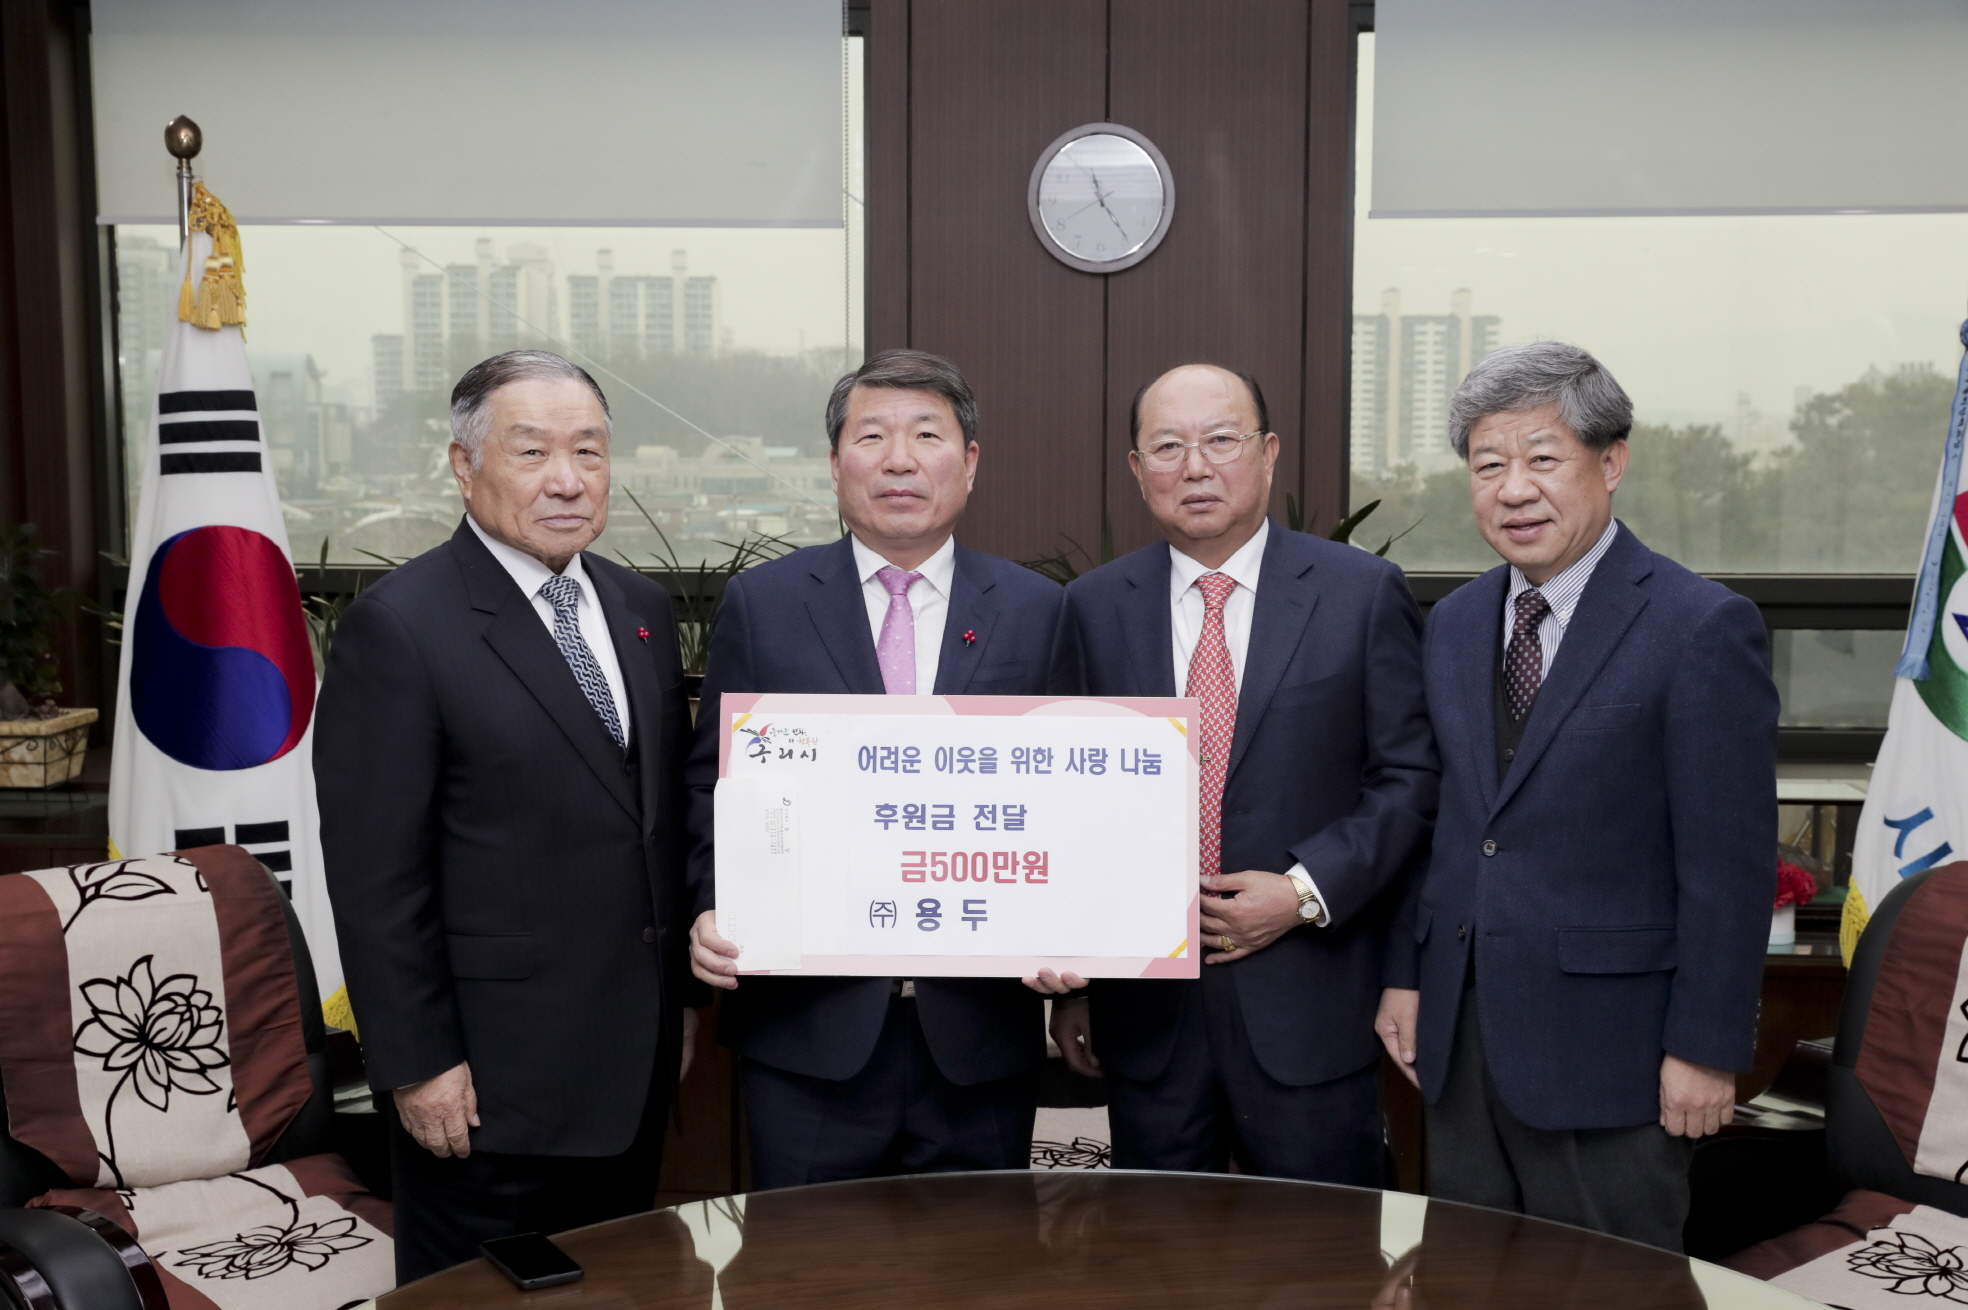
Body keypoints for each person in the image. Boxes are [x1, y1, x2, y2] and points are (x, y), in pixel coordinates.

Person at [1376, 341, 1778, 1251]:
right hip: (1463, 1041)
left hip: (1617, 1054)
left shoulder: (1700, 627)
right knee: (1468, 1280)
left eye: (1543, 459)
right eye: (1489, 465)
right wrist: (1407, 970)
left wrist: (1707, 1049)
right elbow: (1445, 824)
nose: (1514, 489)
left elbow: (1730, 864)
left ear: (1612, 462)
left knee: (1613, 1289)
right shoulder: (1455, 624)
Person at [316, 351, 697, 1283]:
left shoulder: (639, 607)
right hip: (487, 1092)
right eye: (532, 453)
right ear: (463, 465)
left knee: (621, 1293)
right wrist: (417, 1065)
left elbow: (651, 823)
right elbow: (376, 878)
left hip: (630, 1075)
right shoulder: (402, 627)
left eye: (590, 452)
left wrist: (678, 1007)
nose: (567, 480)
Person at [1047, 363, 1438, 1182]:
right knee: (1154, 1265)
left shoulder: (1361, 594)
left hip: (1310, 1002)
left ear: (1268, 453)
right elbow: (1066, 801)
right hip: (1148, 1015)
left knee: (1316, 1265)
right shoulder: (1092, 606)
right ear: (1135, 468)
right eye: (1168, 446)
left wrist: (1300, 892)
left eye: (1221, 441)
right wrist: (1078, 985)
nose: (1195, 466)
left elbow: (1408, 779)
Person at [685, 349, 1064, 1187]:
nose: (899, 459)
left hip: (978, 1033)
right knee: (804, 1275)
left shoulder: (1038, 613)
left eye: (927, 435)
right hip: (807, 1033)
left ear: (968, 463)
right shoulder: (766, 604)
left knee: (979, 1278)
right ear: (834, 464)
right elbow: (711, 785)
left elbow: (1068, 805)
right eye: (873, 436)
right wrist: (714, 902)